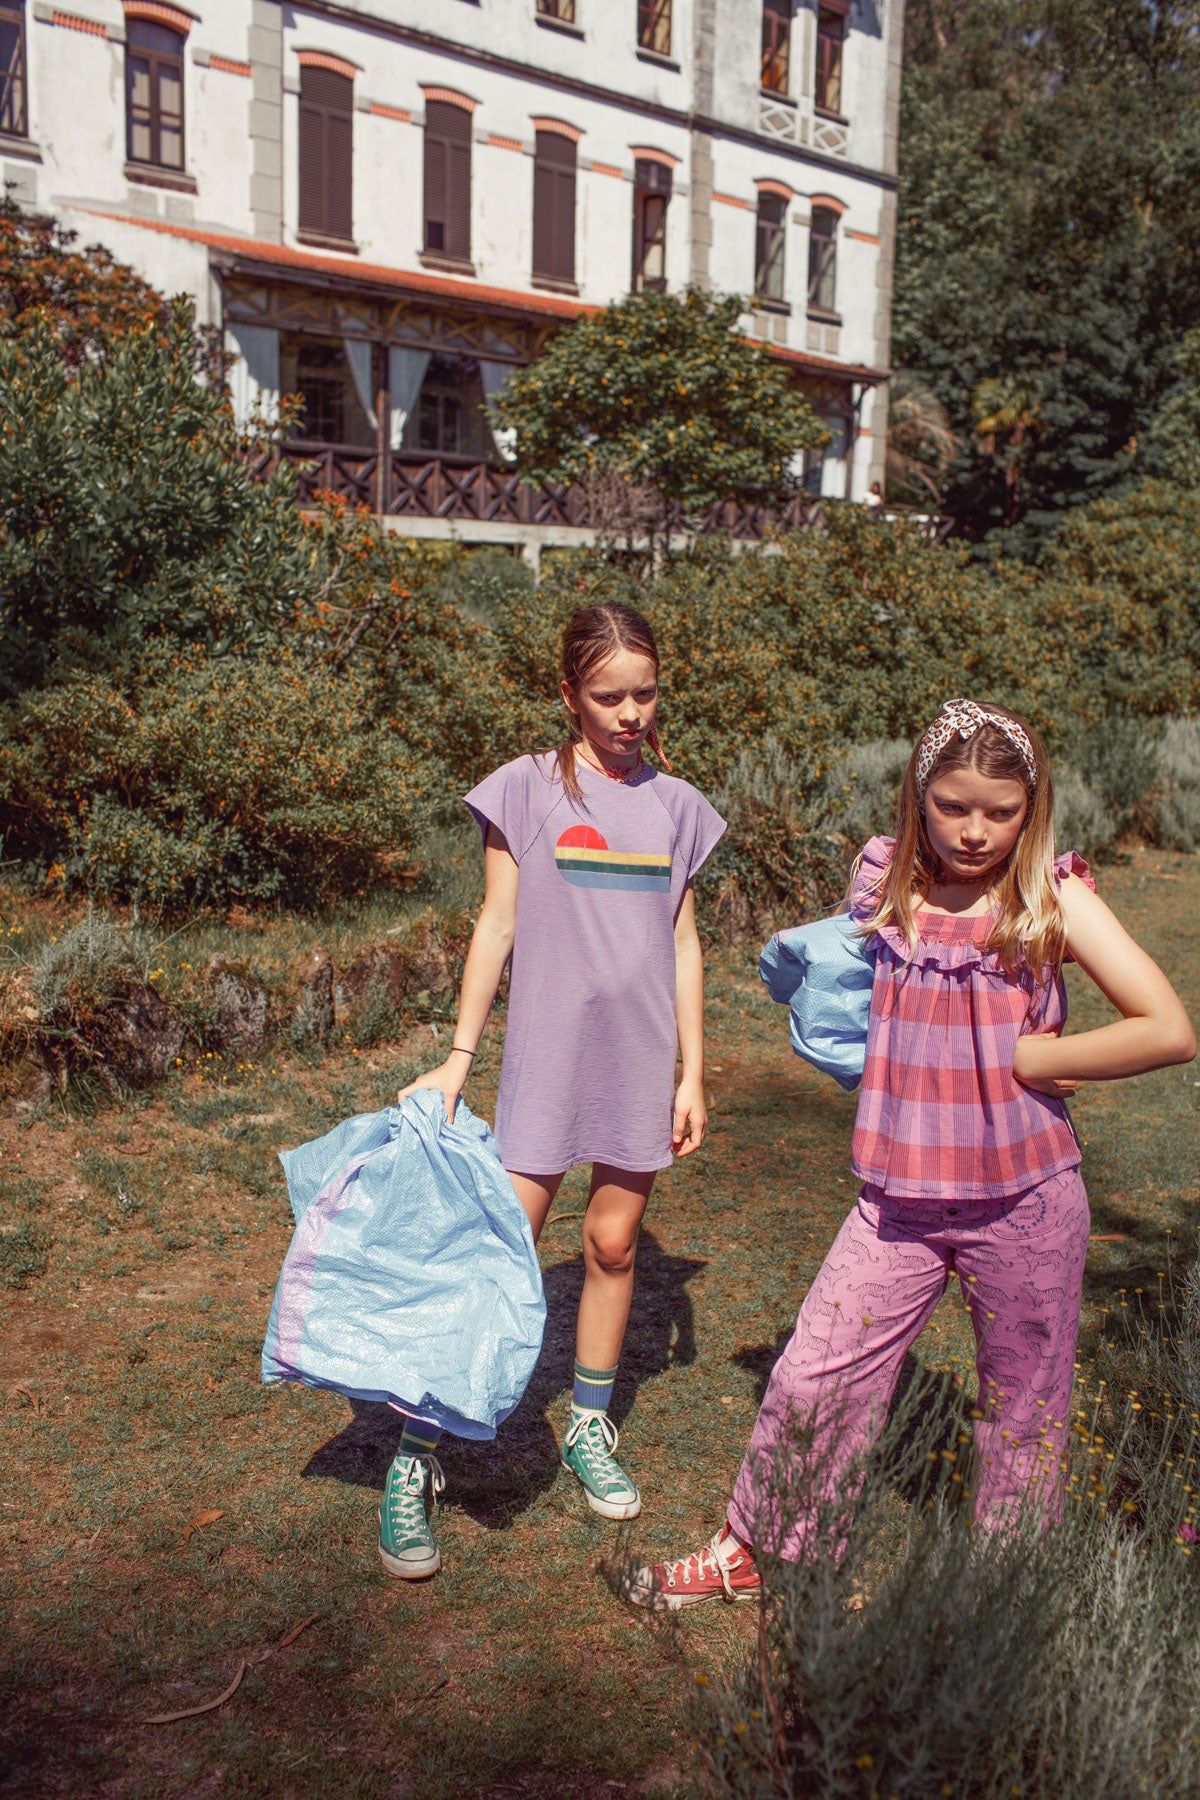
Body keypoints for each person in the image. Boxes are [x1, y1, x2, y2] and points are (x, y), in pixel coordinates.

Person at [625, 698, 1196, 1609]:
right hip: (896, 1203)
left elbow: (1167, 1027)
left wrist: (1037, 1059)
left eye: (1001, 812)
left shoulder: (1050, 899)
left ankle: (1005, 1592)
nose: (975, 831)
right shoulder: (888, 887)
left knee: (1024, 1408)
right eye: (952, 806)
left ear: (1032, 809)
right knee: (815, 1372)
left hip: (1027, 1200)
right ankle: (755, 1549)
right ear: (917, 797)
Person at [380, 601, 726, 1580]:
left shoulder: (678, 806)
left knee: (612, 1245)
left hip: (638, 1062)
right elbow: (495, 926)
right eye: (609, 697)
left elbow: (684, 943)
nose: (631, 714)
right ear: (569, 694)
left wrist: (693, 1072)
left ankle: (587, 1427)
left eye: (645, 694)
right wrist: (459, 1056)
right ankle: (414, 1457)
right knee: (499, 1256)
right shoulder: (526, 789)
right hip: (546, 1060)